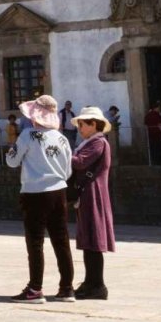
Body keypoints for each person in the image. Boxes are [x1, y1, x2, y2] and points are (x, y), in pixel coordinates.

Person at [4, 94, 74, 303]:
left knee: (35, 242)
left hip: (35, 192)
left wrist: (12, 152)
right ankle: (67, 288)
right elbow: (68, 170)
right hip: (59, 191)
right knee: (61, 240)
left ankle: (35, 288)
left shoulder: (27, 135)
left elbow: (12, 162)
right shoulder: (62, 138)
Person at [68, 106, 115, 300]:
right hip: (88, 193)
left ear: (93, 124)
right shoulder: (91, 143)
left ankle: (97, 284)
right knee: (89, 241)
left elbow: (79, 162)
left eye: (82, 124)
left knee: (94, 241)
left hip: (93, 193)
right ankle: (91, 282)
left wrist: (60, 153)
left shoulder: (98, 143)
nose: (79, 128)